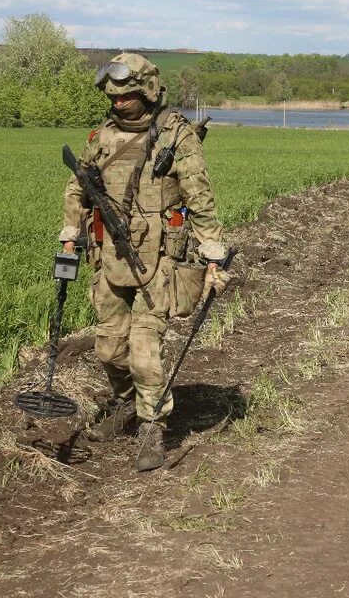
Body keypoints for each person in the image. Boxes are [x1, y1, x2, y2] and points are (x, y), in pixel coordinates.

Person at [59, 53, 230, 471]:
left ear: (148, 91)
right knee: (108, 348)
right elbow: (77, 189)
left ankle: (152, 426)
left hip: (160, 260)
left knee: (143, 351)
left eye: (128, 95)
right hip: (110, 257)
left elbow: (200, 200)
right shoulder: (101, 138)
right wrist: (68, 238)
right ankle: (125, 404)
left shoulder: (177, 137)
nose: (119, 103)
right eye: (113, 96)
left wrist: (213, 255)